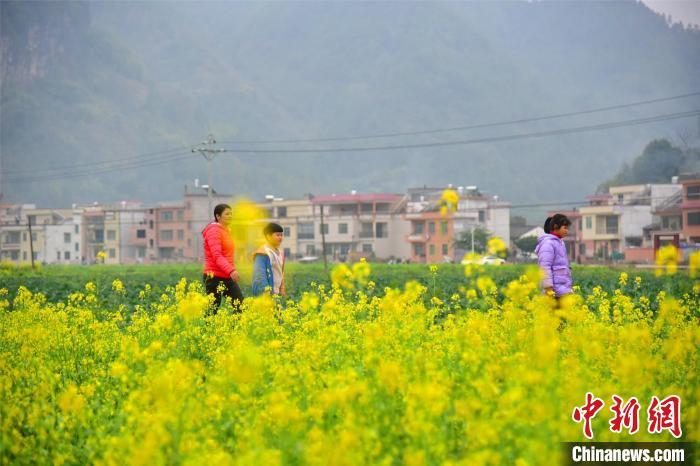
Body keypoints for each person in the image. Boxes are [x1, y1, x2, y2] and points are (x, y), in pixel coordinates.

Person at [202, 203, 243, 312]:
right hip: (213, 276)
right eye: (227, 214)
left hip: (227, 275)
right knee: (212, 309)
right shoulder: (213, 231)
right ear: (218, 216)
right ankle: (209, 329)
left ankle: (236, 329)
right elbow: (217, 255)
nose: (230, 216)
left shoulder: (226, 231)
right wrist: (231, 270)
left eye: (231, 214)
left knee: (240, 305)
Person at [535, 213, 573, 298]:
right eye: (565, 228)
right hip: (554, 291)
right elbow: (545, 266)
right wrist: (548, 289)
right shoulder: (548, 244)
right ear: (556, 227)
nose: (567, 231)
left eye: (567, 228)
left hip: (562, 289)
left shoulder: (560, 243)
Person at [252, 222, 286, 298]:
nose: (280, 237)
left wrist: (282, 289)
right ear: (268, 236)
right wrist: (266, 292)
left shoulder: (280, 253)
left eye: (281, 235)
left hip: (276, 294)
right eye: (277, 235)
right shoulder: (263, 253)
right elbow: (260, 275)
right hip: (266, 294)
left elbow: (281, 273)